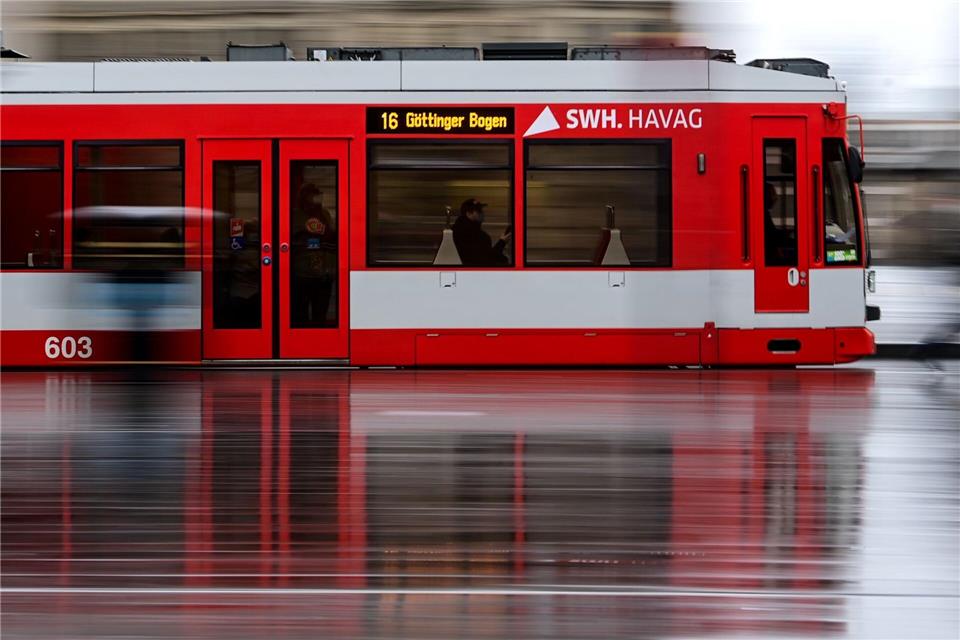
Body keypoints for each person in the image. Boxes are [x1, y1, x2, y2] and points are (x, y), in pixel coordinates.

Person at [291, 182, 336, 326]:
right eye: (312, 196)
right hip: (302, 272)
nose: (316, 199)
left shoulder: (325, 214)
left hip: (324, 273)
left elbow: (332, 236)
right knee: (300, 314)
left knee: (320, 314)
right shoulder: (295, 215)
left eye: (318, 196)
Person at [452, 198, 511, 267]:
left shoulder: (459, 229)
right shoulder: (473, 234)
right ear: (468, 214)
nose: (482, 213)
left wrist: (502, 242)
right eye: (479, 211)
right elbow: (486, 259)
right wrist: (502, 243)